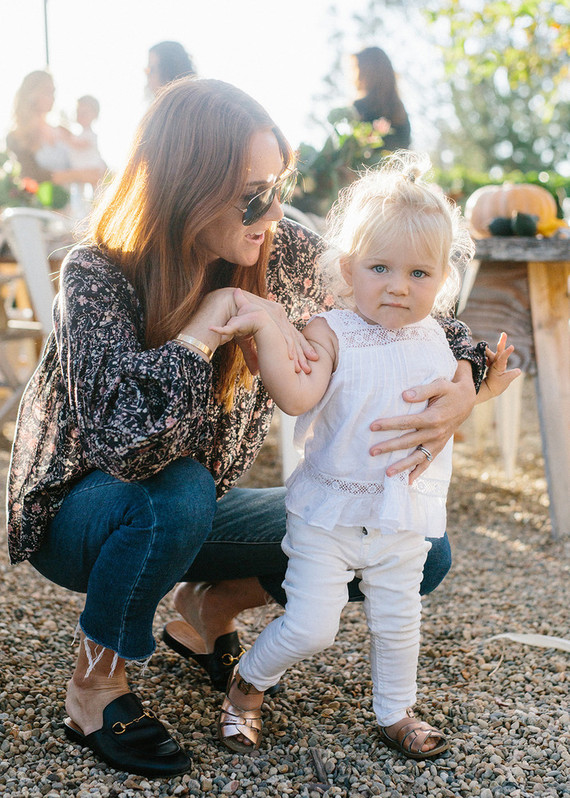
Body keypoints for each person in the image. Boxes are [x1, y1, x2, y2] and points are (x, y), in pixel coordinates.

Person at [6, 79, 487, 778]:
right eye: (255, 192)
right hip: (87, 517)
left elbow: (404, 298)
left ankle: (207, 612)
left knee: (416, 546)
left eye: (278, 187)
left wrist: (467, 377)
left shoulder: (280, 249)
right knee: (178, 490)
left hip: (196, 508)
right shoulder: (98, 273)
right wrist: (199, 336)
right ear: (188, 185)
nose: (276, 209)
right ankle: (94, 685)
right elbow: (123, 445)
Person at [212, 151, 520, 758]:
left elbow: (447, 402)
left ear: (441, 279)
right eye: (381, 268)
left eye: (419, 274)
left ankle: (395, 711)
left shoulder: (438, 337)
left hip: (403, 511)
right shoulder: (332, 330)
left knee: (399, 623)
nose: (399, 288)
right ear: (349, 268)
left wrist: (482, 389)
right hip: (329, 514)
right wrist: (267, 333)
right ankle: (247, 684)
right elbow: (298, 393)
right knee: (311, 626)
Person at [6, 70, 105, 187]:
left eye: (53, 92)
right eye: (47, 91)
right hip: (38, 203)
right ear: (32, 94)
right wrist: (78, 175)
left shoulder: (62, 130)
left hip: (75, 199)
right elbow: (31, 176)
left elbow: (88, 157)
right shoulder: (16, 137)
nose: (53, 97)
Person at [349, 46, 411, 151]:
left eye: (358, 68)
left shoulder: (359, 108)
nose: (356, 76)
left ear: (368, 72)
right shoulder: (399, 111)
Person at [67, 95, 107, 172]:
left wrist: (66, 139)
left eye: (84, 113)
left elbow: (81, 145)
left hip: (91, 167)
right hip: (81, 169)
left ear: (94, 115)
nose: (81, 116)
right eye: (78, 112)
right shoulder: (79, 135)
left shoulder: (90, 135)